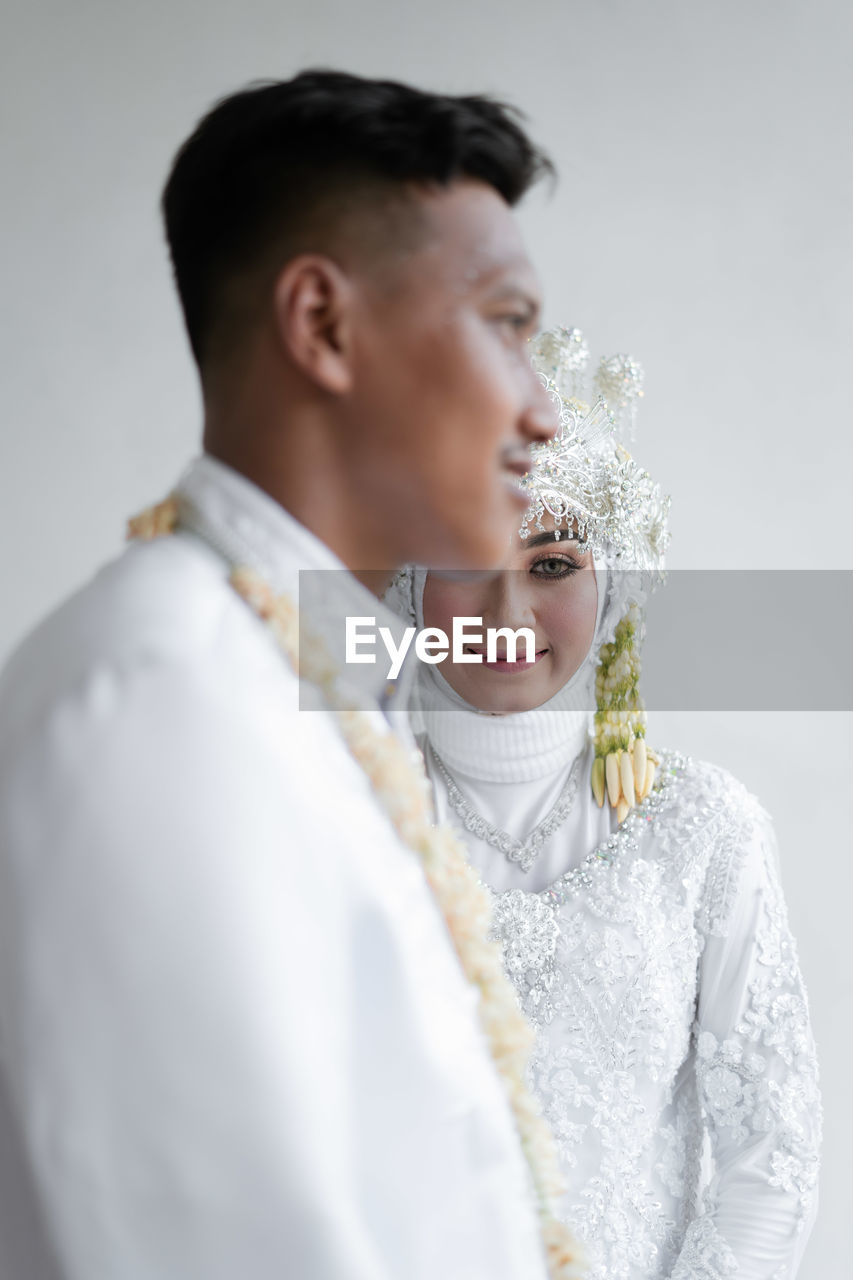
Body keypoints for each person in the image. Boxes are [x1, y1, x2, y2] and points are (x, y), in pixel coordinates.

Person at [0, 72, 572, 1280]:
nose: (543, 412)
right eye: (510, 323)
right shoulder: (157, 704)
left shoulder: (290, 686)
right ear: (320, 323)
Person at [392, 326, 822, 1279]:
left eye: (551, 566)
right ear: (411, 587)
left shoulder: (706, 830)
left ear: (611, 586)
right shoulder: (343, 819)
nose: (506, 613)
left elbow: (771, 1161)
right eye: (466, 561)